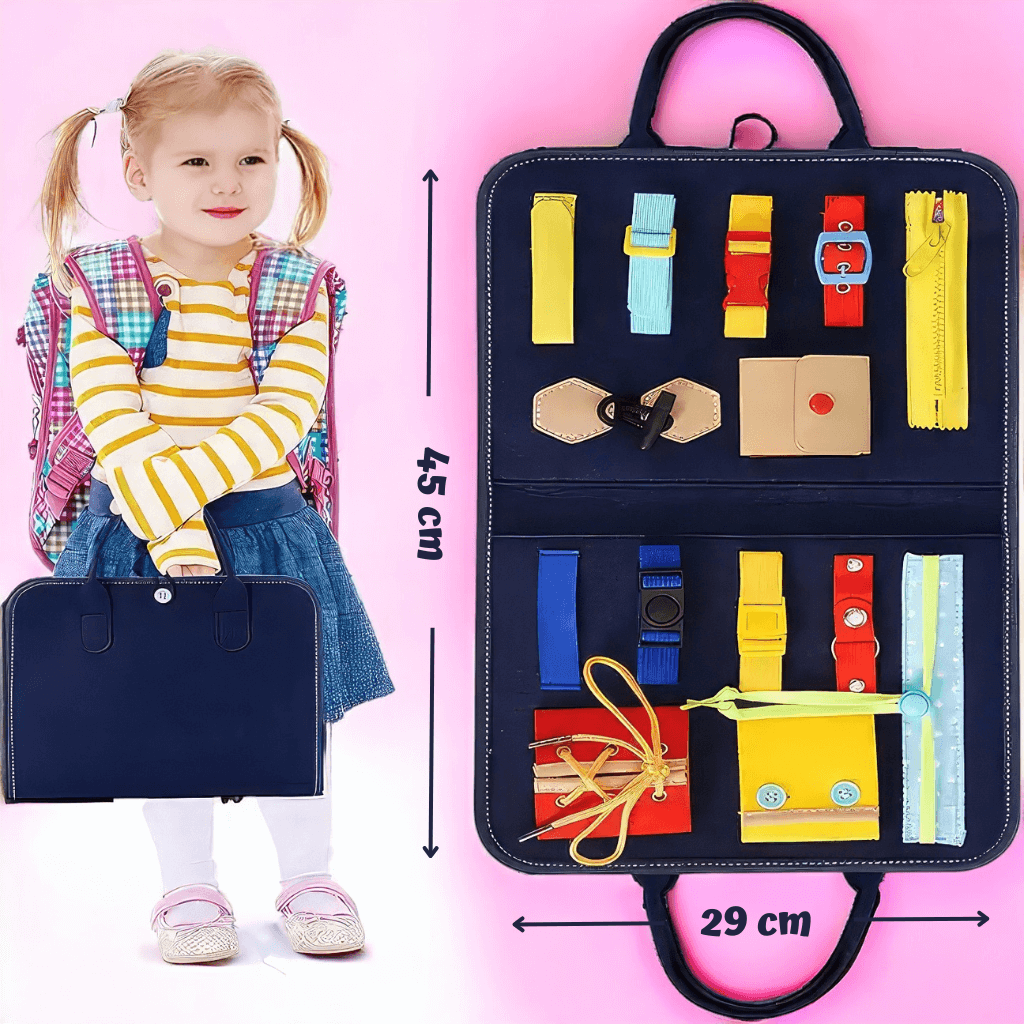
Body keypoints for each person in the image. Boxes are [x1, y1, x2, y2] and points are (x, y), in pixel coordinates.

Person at [35, 49, 394, 964]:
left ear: (281, 158)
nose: (227, 182)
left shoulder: (299, 285)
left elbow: (282, 418)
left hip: (266, 529)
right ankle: (187, 887)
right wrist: (175, 532)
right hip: (140, 530)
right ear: (139, 173)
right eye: (197, 161)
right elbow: (111, 419)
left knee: (287, 710)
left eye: (251, 158)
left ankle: (309, 875)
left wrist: (183, 511)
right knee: (166, 714)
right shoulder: (98, 281)